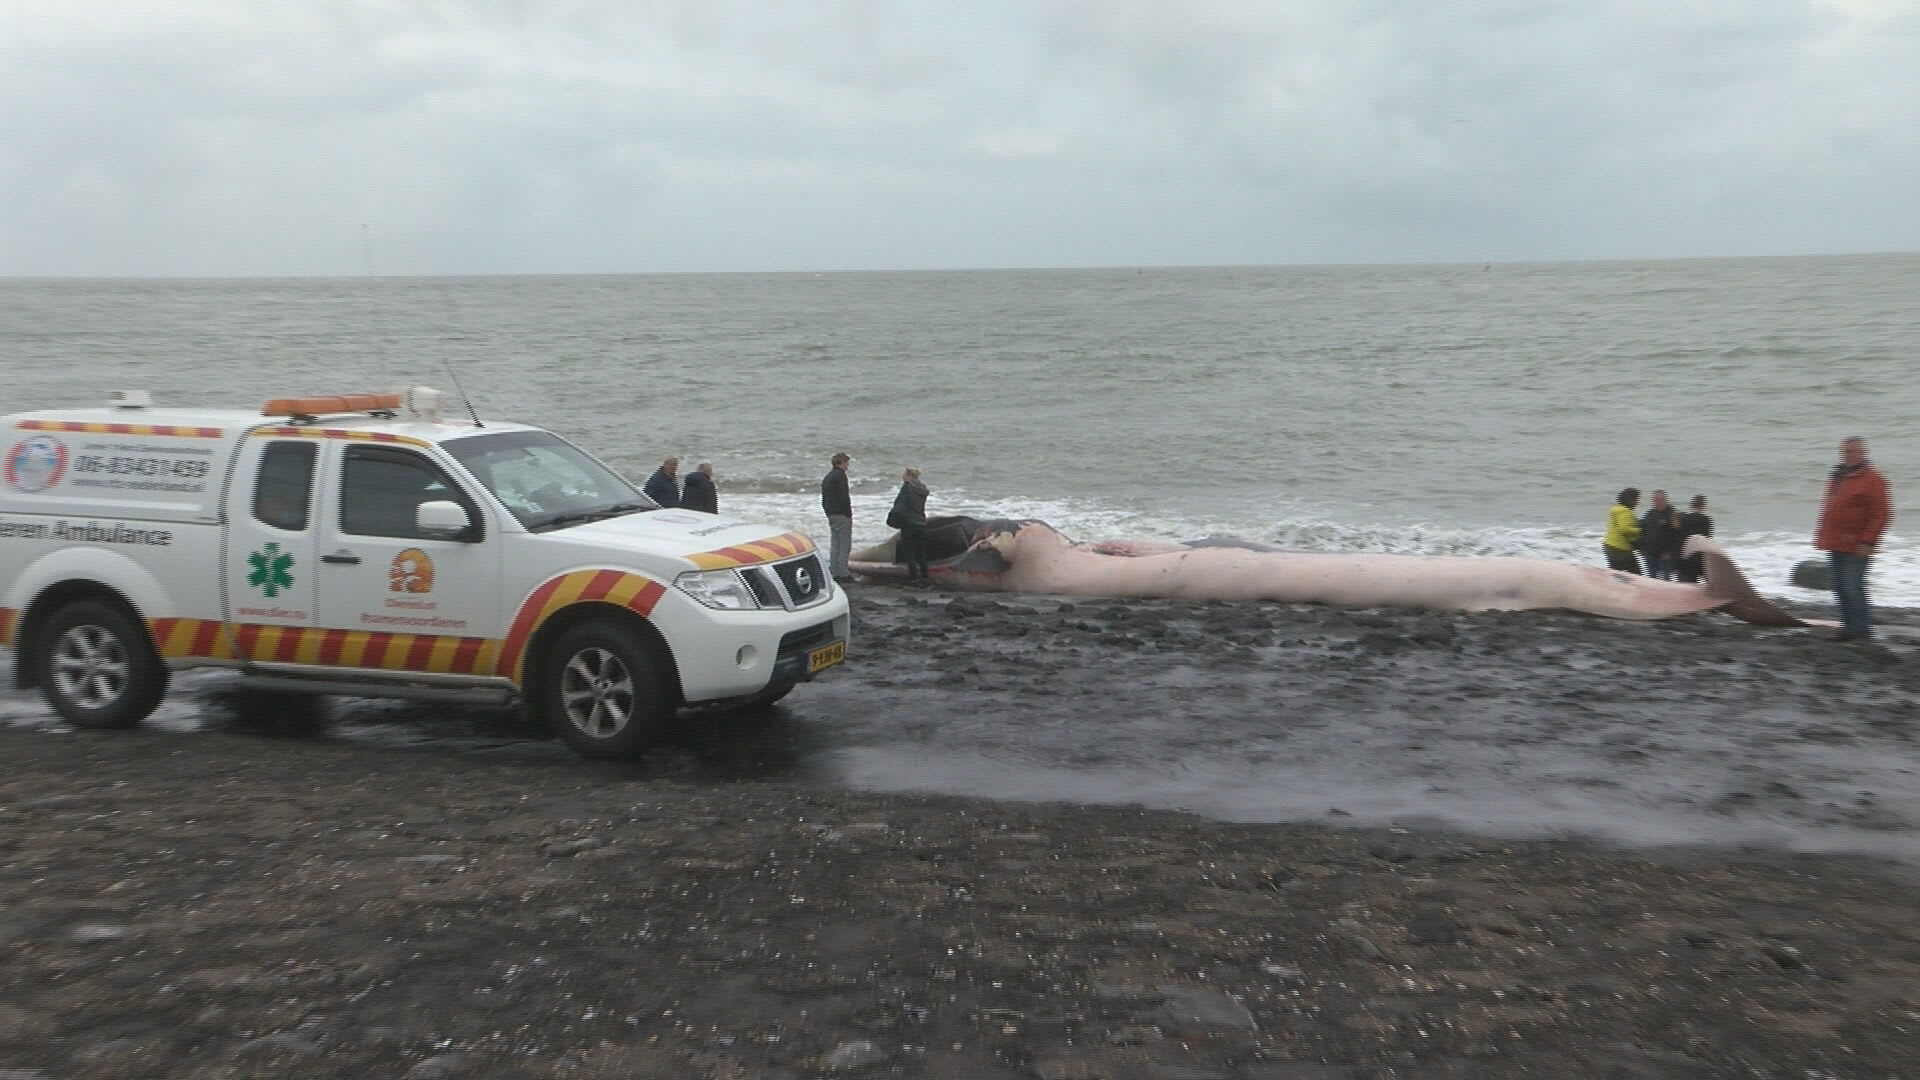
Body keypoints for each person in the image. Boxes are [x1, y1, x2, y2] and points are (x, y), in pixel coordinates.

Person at [1814, 436, 1893, 642]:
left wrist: (1868, 541)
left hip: (1858, 544)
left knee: (1852, 586)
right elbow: (1831, 509)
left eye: (1852, 451)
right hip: (1836, 541)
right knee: (1839, 585)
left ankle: (1860, 629)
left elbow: (1881, 514)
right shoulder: (1838, 477)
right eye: (1845, 452)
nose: (1848, 455)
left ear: (1863, 453)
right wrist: (1823, 535)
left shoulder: (1873, 479)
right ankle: (1849, 626)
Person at [888, 467, 930, 585]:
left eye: (905, 475)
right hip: (921, 523)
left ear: (910, 476)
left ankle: (913, 578)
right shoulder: (923, 489)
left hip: (909, 523)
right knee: (921, 552)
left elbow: (899, 506)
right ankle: (925, 577)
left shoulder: (907, 487)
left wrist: (893, 520)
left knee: (910, 551)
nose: (903, 477)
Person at [821, 452, 854, 583]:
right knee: (845, 544)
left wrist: (827, 511)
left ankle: (833, 571)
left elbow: (824, 498)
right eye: (846, 463)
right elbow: (843, 496)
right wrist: (849, 513)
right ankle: (843, 573)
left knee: (835, 544)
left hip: (831, 513)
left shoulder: (828, 477)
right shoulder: (840, 476)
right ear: (841, 463)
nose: (847, 466)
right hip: (841, 513)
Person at [1638, 490, 1682, 581]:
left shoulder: (1673, 514)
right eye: (1654, 500)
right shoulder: (1650, 513)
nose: (1655, 503)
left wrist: (1671, 552)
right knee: (1651, 580)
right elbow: (1641, 529)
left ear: (1665, 500)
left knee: (1665, 581)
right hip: (1650, 554)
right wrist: (1642, 549)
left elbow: (1679, 536)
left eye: (1657, 500)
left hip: (1665, 556)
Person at [1675, 495, 1714, 584]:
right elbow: (1707, 540)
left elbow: (1679, 541)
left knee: (1688, 586)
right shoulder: (1707, 520)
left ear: (1691, 505)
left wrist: (1677, 563)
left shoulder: (1684, 519)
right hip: (1701, 558)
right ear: (1704, 506)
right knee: (1709, 587)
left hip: (1687, 557)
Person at [1603, 488, 1642, 574]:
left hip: (1609, 546)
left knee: (1616, 573)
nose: (1638, 502)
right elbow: (1624, 529)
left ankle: (1613, 586)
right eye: (1636, 499)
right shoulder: (1626, 512)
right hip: (1620, 549)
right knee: (1637, 574)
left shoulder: (1616, 509)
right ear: (1630, 500)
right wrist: (1641, 530)